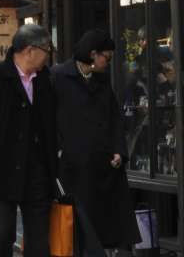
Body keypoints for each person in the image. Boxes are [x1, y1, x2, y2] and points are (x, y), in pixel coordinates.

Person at [0, 24, 57, 257]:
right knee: (0, 234)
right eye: (47, 48)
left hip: (37, 170)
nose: (49, 54)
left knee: (38, 238)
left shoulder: (46, 80)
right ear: (30, 50)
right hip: (1, 171)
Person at [52, 30, 139, 254]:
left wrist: (120, 150)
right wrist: (59, 149)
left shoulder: (101, 80)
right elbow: (47, 117)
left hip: (104, 162)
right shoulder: (59, 76)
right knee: (78, 220)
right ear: (93, 54)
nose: (108, 63)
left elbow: (114, 118)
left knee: (107, 222)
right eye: (106, 58)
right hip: (74, 163)